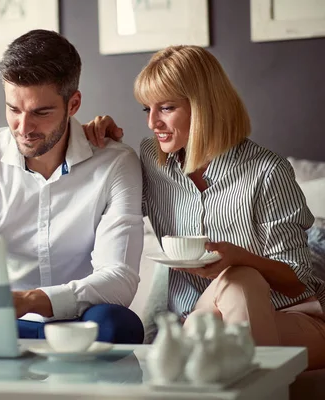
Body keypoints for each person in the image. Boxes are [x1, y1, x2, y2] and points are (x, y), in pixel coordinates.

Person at [84, 45, 325, 369]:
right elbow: (102, 209)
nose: (153, 122)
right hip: (197, 315)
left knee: (240, 280)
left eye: (166, 108)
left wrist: (239, 258)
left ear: (204, 106)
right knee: (213, 324)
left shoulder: (266, 171)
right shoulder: (152, 162)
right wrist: (99, 146)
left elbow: (297, 279)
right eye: (147, 109)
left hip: (291, 316)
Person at [0, 29, 145, 344]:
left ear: (73, 104)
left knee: (117, 323)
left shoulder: (114, 163)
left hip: (80, 321)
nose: (24, 128)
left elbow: (119, 279)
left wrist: (29, 300)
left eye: (41, 113)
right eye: (14, 110)